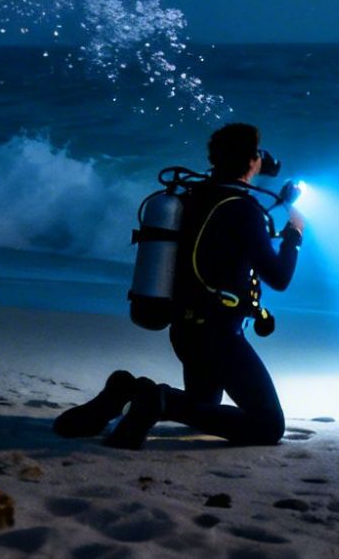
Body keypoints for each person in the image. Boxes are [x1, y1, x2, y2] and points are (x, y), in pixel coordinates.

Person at [53, 122, 304, 448]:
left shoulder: (193, 197)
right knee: (267, 427)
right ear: (251, 160)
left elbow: (231, 230)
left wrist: (280, 204)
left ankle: (128, 389)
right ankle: (161, 401)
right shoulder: (244, 210)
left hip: (186, 332)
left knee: (203, 405)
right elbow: (279, 277)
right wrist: (294, 235)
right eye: (256, 153)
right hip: (219, 336)